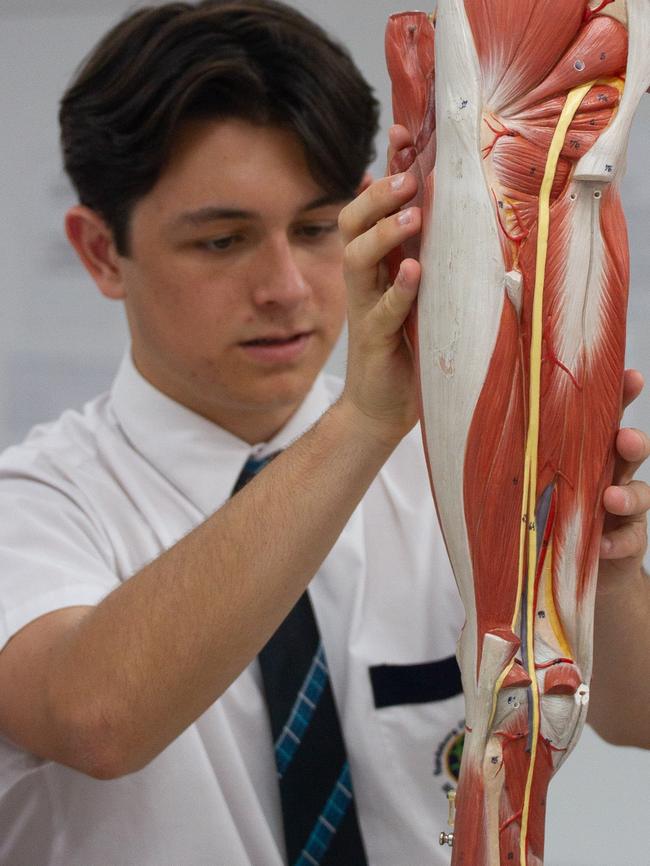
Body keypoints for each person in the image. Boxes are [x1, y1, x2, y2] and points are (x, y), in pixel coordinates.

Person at [0, 1, 647, 864]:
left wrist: (600, 570)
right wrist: (366, 421)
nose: (287, 288)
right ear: (99, 252)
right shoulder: (35, 506)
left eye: (314, 230)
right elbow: (97, 719)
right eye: (223, 240)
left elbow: (635, 718)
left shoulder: (446, 465)